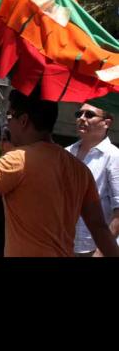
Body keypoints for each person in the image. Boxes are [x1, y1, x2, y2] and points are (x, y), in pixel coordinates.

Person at [0, 87, 119, 257]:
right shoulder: (79, 168)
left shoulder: (18, 159)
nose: (8, 124)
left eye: (9, 116)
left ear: (23, 120)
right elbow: (100, 228)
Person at [66, 103, 119, 257]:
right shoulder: (66, 153)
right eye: (79, 114)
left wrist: (101, 251)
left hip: (94, 248)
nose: (82, 118)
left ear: (106, 123)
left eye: (89, 115)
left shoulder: (114, 157)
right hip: (64, 244)